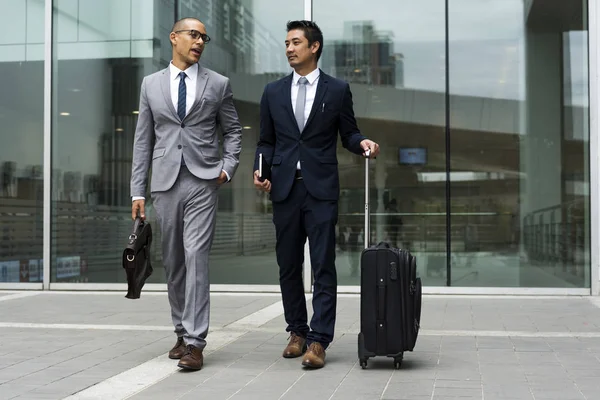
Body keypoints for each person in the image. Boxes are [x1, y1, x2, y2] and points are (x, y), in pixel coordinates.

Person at [253, 20, 380, 369]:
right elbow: (266, 140)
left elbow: (349, 134)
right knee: (289, 265)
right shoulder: (273, 92)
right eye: (286, 43)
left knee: (323, 264)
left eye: (296, 42)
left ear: (314, 47)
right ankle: (296, 331)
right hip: (284, 190)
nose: (289, 48)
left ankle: (319, 340)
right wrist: (260, 168)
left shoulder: (337, 90)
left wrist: (362, 143)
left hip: (321, 190)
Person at [130, 17, 242, 371]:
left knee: (196, 256)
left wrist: (227, 167)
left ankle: (196, 341)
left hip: (203, 179)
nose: (200, 42)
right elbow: (143, 140)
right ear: (174, 37)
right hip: (164, 182)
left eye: (204, 37)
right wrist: (137, 190)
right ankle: (180, 331)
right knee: (174, 260)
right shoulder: (151, 85)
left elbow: (234, 131)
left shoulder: (218, 83)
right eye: (194, 35)